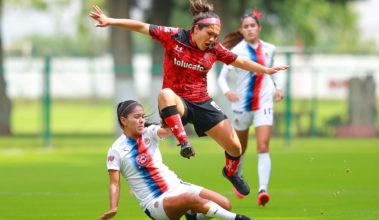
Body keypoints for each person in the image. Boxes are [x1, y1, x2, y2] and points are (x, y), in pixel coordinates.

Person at [89, 0, 288, 197]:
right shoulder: (173, 35)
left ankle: (230, 172)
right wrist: (110, 20)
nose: (212, 39)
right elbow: (141, 25)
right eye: (209, 34)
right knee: (165, 94)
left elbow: (241, 61)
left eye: (216, 35)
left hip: (201, 102)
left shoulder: (214, 49)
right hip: (176, 103)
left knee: (236, 147)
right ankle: (184, 142)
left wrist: (266, 70)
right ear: (195, 29)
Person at [99, 100, 252, 220]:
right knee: (191, 199)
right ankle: (238, 219)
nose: (141, 120)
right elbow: (114, 184)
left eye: (142, 117)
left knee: (225, 204)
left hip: (177, 186)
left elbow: (167, 131)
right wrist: (113, 207)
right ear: (124, 120)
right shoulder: (116, 150)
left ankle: (193, 218)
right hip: (155, 202)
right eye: (136, 117)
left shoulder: (149, 132)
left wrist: (170, 120)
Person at [217, 9, 283, 206]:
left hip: (264, 103)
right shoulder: (236, 51)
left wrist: (278, 87)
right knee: (240, 148)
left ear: (259, 28)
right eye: (246, 26)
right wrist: (228, 91)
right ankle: (238, 177)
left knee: (263, 146)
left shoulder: (270, 49)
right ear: (241, 30)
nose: (250, 29)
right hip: (241, 105)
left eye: (253, 25)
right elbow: (222, 77)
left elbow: (272, 71)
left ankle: (263, 190)